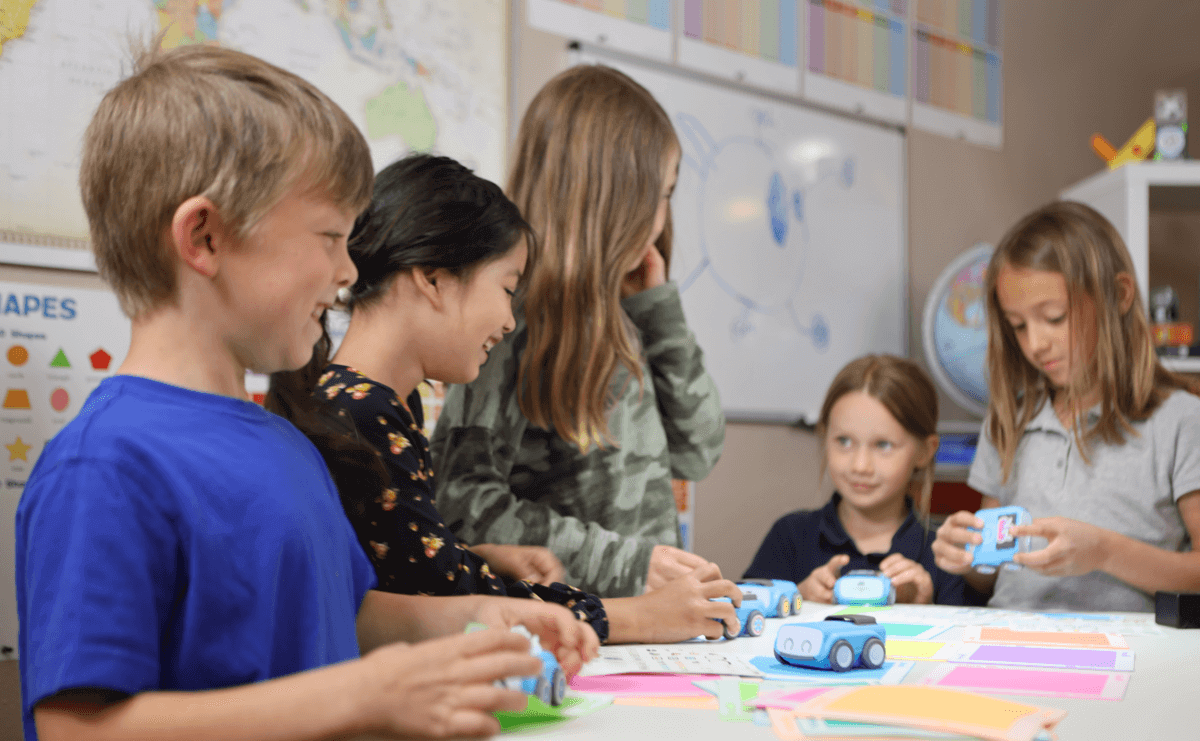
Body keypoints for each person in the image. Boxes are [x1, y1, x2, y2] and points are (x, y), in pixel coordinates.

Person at [16, 44, 595, 741]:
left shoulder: (287, 443)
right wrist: (358, 694)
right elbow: (76, 728)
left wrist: (470, 618)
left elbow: (340, 612)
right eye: (329, 237)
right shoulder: (104, 465)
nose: (349, 269)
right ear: (204, 236)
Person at [268, 153, 743, 643]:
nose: (510, 320)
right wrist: (635, 617)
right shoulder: (364, 415)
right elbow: (448, 603)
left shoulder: (380, 404)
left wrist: (481, 556)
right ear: (433, 279)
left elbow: (403, 564)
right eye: (507, 289)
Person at [431, 64, 727, 598]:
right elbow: (462, 502)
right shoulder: (510, 320)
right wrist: (630, 565)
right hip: (570, 625)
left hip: (643, 627)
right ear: (616, 199)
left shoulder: (626, 314)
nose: (663, 216)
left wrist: (659, 313)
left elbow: (699, 449)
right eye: (661, 195)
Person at [932, 200, 1200, 611]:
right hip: (1010, 639)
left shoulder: (1181, 421)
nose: (1036, 344)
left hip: (1129, 654)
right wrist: (966, 555)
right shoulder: (1009, 420)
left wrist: (1105, 552)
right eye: (1019, 326)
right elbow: (989, 575)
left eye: (1054, 317)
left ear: (1120, 295)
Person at [744, 355, 982, 606]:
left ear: (924, 451)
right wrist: (794, 600)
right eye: (844, 441)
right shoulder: (790, 536)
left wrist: (925, 609)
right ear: (825, 437)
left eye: (883, 445)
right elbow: (745, 619)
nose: (860, 466)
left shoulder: (945, 554)